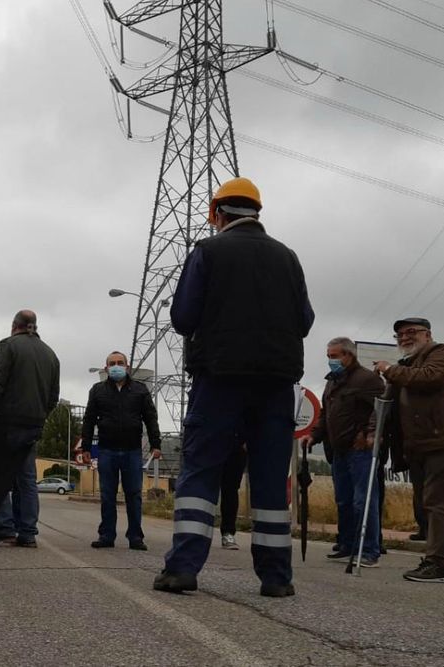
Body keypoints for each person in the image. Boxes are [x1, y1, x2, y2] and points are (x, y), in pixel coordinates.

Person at [154, 177, 314, 598]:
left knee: (203, 470)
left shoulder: (208, 251)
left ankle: (183, 569)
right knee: (267, 479)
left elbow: (183, 318)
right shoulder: (288, 257)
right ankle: (277, 579)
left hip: (220, 379)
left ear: (217, 214)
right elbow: (305, 322)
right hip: (276, 384)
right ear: (258, 213)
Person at [373, 317, 444, 583]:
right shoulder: (405, 366)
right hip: (420, 446)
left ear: (427, 334)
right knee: (427, 504)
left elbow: (430, 378)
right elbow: (390, 405)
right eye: (399, 335)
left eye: (411, 332)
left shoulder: (442, 353)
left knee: (438, 504)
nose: (405, 338)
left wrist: (390, 370)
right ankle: (443, 559)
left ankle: (438, 564)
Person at [0, 310, 61, 549]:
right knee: (27, 480)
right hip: (33, 424)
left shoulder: (8, 346)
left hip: (6, 422)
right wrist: (40, 416)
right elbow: (53, 397)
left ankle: (4, 526)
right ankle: (27, 532)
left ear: (15, 326)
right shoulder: (51, 355)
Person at [302, 337, 384, 568]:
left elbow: (382, 407)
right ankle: (347, 545)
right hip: (338, 450)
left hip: (361, 450)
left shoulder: (367, 379)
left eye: (335, 356)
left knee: (363, 500)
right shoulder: (332, 382)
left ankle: (369, 550)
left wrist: (369, 433)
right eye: (329, 356)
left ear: (349, 355)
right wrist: (314, 435)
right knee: (344, 500)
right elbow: (326, 414)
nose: (331, 361)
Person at [82, 351, 161, 551]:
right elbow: (89, 420)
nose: (116, 366)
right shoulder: (97, 390)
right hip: (107, 450)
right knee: (107, 494)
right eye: (112, 363)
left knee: (133, 494)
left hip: (132, 451)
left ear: (127, 366)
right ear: (106, 367)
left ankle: (135, 537)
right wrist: (86, 448)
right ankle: (107, 535)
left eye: (120, 363)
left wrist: (156, 443)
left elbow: (150, 418)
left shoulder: (140, 390)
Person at [217, 445, 246, 551]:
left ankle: (228, 532)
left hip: (236, 443)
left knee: (230, 489)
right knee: (203, 487)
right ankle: (198, 532)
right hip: (210, 441)